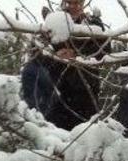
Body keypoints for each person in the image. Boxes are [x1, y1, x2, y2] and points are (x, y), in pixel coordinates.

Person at [45, 0, 110, 130]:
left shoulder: (93, 25)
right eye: (70, 3)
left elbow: (105, 52)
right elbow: (41, 55)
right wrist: (57, 55)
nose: (74, 7)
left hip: (86, 95)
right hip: (58, 95)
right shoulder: (55, 24)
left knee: (86, 139)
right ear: (64, 3)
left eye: (78, 3)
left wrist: (78, 53)